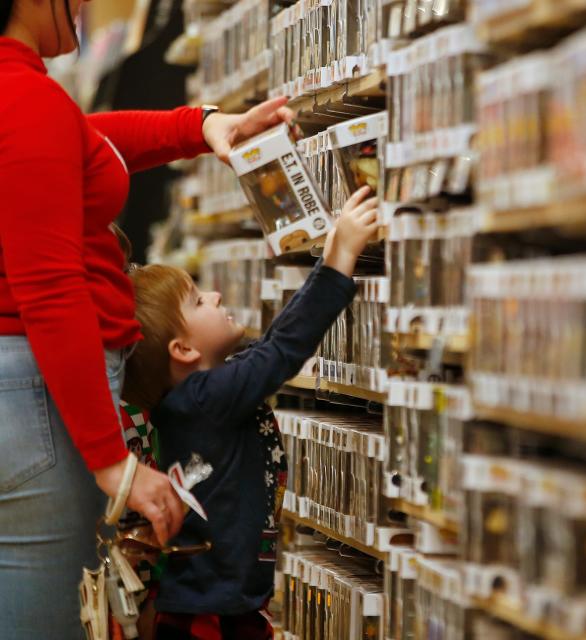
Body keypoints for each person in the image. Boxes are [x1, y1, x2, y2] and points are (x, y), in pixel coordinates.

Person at [0, 0, 299, 635]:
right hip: (36, 397)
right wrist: (113, 461)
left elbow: (85, 142)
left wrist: (205, 125)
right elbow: (51, 289)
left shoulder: (28, 98)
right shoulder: (22, 96)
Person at [122, 187, 379, 639]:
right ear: (181, 350)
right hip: (211, 616)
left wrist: (331, 257)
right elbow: (280, 351)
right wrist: (340, 260)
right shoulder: (206, 400)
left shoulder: (199, 397)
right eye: (198, 301)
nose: (217, 296)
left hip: (215, 602)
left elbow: (267, 348)